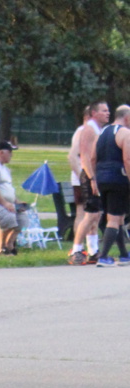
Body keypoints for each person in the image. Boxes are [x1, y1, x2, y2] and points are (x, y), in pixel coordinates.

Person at [86, 103, 130, 264]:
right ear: (127, 117)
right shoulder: (125, 133)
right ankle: (103, 257)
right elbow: (127, 159)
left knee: (117, 217)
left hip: (102, 179)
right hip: (118, 179)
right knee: (114, 220)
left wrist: (94, 179)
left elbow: (92, 158)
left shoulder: (102, 132)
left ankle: (124, 255)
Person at [69, 99, 109, 264]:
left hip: (97, 175)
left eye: (108, 110)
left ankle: (93, 250)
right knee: (90, 214)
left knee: (96, 215)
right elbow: (84, 156)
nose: (108, 113)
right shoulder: (88, 129)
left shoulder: (98, 129)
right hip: (89, 176)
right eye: (104, 110)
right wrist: (91, 178)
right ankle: (76, 250)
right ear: (94, 113)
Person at [67, 106, 92, 246]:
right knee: (82, 213)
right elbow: (72, 156)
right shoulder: (82, 131)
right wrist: (83, 176)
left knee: (89, 213)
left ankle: (86, 246)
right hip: (82, 180)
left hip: (86, 178)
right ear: (88, 116)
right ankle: (78, 246)